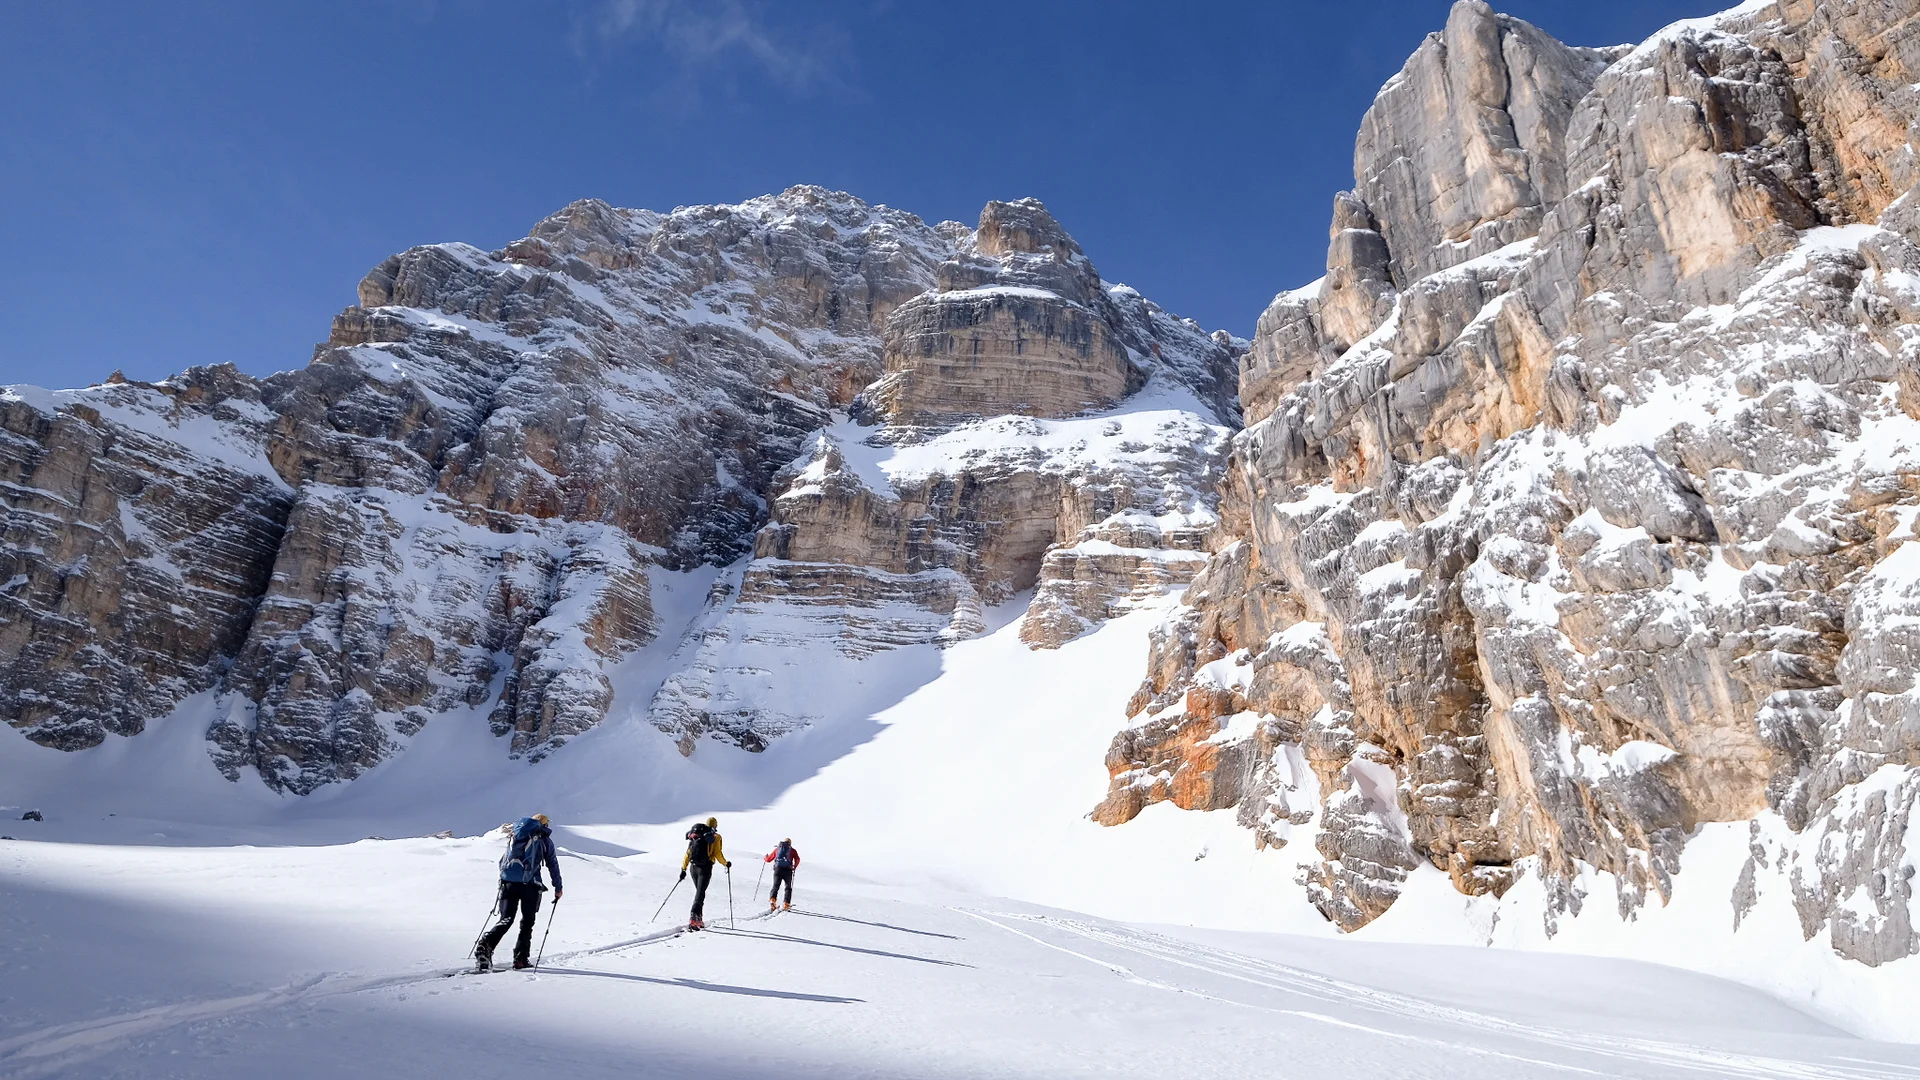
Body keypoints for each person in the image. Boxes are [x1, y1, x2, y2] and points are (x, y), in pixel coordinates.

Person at [475, 814, 563, 971]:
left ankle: (486, 943)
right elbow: (552, 865)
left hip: (508, 883)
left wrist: (503, 881)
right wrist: (558, 888)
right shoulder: (543, 840)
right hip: (530, 886)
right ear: (544, 825)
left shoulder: (515, 836)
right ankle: (520, 959)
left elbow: (503, 861)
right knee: (527, 922)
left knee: (506, 918)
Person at [679, 816, 731, 930]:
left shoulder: (695, 836)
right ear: (715, 826)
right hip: (705, 868)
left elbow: (688, 853)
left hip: (693, 867)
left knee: (700, 892)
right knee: (700, 893)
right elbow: (717, 853)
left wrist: (683, 869)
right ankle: (693, 917)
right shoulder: (715, 837)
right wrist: (726, 863)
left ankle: (699, 919)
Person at [764, 837, 800, 911]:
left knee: (776, 886)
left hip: (778, 869)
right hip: (788, 871)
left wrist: (765, 857)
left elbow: (768, 860)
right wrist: (794, 867)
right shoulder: (793, 851)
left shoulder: (777, 849)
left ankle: (772, 900)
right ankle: (786, 904)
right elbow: (797, 859)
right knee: (788, 888)